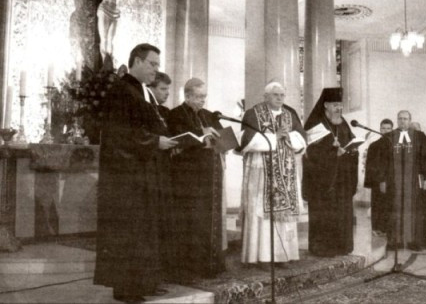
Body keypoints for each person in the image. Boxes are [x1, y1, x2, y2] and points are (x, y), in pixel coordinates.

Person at [94, 43, 178, 303]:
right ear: (137, 61)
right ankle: (126, 288)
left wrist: (166, 141)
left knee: (143, 230)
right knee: (128, 231)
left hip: (141, 172)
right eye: (152, 64)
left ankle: (142, 282)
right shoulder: (121, 90)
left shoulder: (140, 91)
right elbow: (120, 134)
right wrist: (155, 142)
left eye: (157, 65)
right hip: (125, 176)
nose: (156, 70)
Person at [239, 82, 306, 264]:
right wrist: (274, 137)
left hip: (287, 172)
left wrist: (289, 137)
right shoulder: (253, 113)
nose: (279, 98)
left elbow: (302, 138)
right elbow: (245, 141)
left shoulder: (290, 115)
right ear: (266, 96)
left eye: (282, 95)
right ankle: (261, 256)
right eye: (275, 95)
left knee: (284, 219)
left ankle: (284, 255)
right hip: (262, 172)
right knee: (260, 214)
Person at [167, 78, 225, 278]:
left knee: (208, 220)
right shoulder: (175, 115)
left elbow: (225, 142)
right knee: (191, 221)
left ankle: (209, 264)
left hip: (210, 174)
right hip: (187, 176)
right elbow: (176, 141)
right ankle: (188, 267)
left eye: (204, 97)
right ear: (188, 95)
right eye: (199, 97)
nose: (202, 101)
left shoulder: (209, 115)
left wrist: (220, 138)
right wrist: (201, 133)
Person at [303, 88, 360, 257]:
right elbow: (310, 154)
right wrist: (332, 153)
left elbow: (351, 142)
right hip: (322, 182)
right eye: (335, 105)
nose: (339, 108)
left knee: (342, 212)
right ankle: (322, 247)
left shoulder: (343, 123)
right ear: (326, 105)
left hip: (342, 178)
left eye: (340, 105)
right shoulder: (315, 123)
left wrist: (351, 151)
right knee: (324, 213)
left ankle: (342, 246)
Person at [377, 110, 426, 250]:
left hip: (413, 182)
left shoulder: (419, 136)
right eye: (400, 119)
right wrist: (382, 180)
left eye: (405, 119)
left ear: (410, 120)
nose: (402, 121)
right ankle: (395, 241)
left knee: (414, 210)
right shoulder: (388, 137)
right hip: (394, 182)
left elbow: (425, 158)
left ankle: (413, 241)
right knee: (394, 209)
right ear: (397, 120)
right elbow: (382, 161)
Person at [365, 119, 394, 236]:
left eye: (388, 128)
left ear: (392, 129)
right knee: (377, 205)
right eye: (383, 128)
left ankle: (388, 229)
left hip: (392, 181)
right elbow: (372, 165)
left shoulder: (395, 145)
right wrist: (381, 180)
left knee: (389, 205)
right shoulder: (374, 145)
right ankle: (377, 228)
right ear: (379, 129)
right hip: (378, 181)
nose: (386, 131)